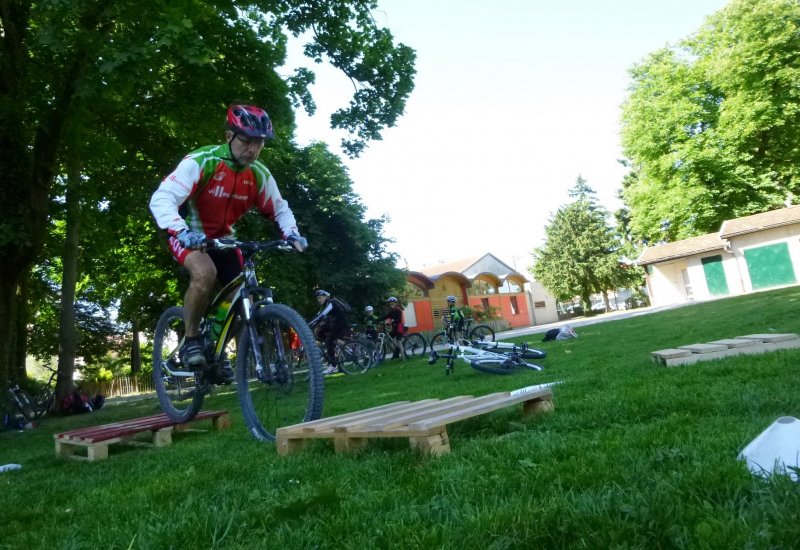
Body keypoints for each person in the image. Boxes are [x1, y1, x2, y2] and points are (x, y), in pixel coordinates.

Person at [149, 104, 307, 373]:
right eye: (246, 141)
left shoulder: (258, 174)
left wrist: (292, 234)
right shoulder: (203, 161)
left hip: (224, 240)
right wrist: (182, 231)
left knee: (243, 296)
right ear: (228, 136)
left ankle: (217, 348)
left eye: (259, 144)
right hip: (187, 234)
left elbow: (279, 208)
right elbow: (162, 198)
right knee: (205, 272)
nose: (253, 150)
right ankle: (191, 340)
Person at [313, 290, 351, 374]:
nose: (318, 300)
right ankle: (337, 346)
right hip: (334, 323)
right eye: (317, 299)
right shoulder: (325, 305)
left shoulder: (331, 303)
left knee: (329, 341)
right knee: (320, 333)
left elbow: (322, 315)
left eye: (320, 298)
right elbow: (319, 316)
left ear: (325, 297)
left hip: (340, 323)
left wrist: (312, 323)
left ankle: (333, 366)